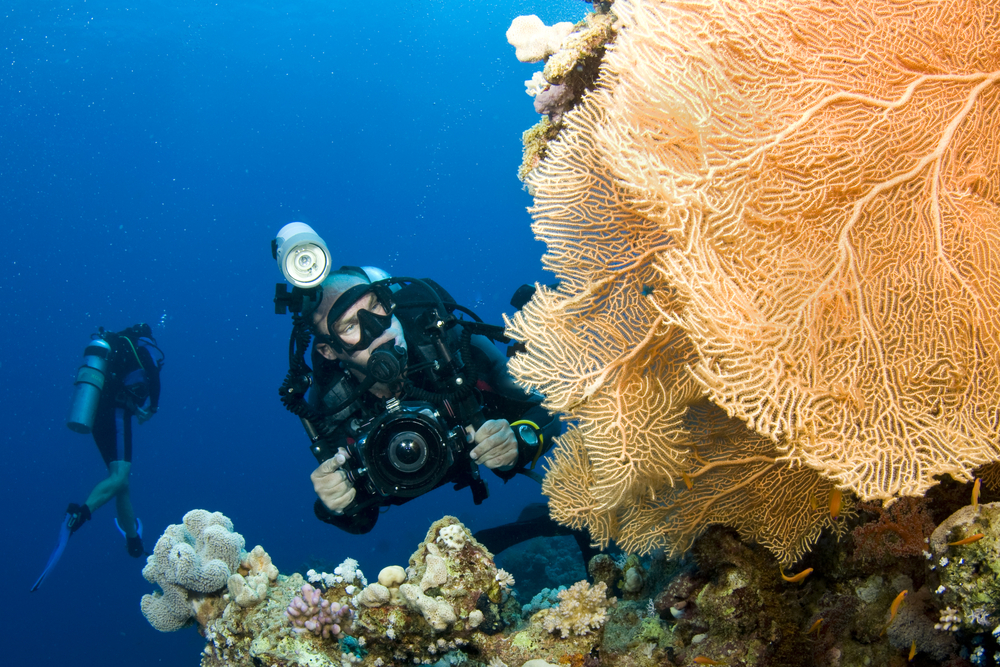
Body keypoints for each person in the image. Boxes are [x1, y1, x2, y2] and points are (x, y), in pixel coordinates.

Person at [285, 266, 562, 534]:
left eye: (375, 305)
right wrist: (332, 504)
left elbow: (547, 409)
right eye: (349, 326)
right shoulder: (334, 406)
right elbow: (361, 520)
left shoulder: (442, 342)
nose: (377, 328)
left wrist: (517, 440)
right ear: (328, 350)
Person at [64, 323, 164, 557]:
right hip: (116, 415)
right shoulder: (139, 349)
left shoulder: (115, 351)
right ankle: (80, 513)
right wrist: (152, 409)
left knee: (121, 482)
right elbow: (153, 379)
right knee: (119, 477)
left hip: (95, 414)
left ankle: (132, 539)